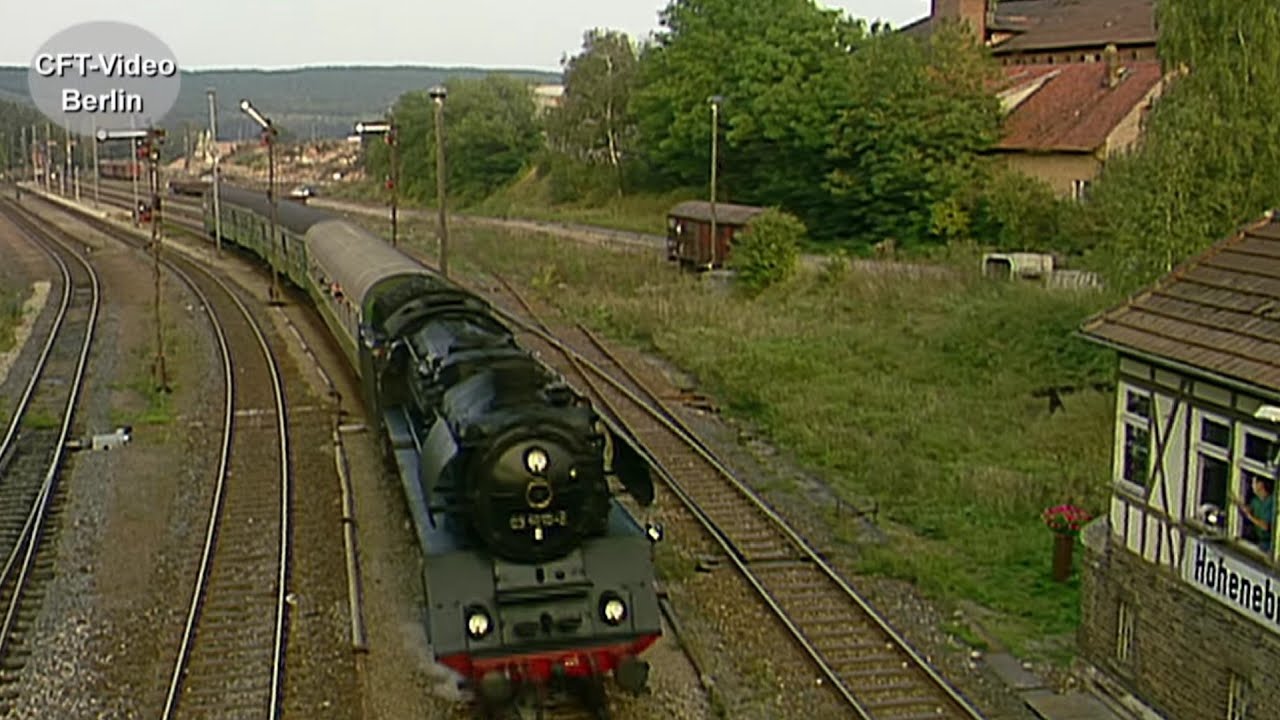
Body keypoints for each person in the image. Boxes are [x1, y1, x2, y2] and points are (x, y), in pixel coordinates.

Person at [1236, 475, 1276, 552]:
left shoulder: (1272, 502)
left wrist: (1251, 517)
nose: (1252, 486)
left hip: (1269, 546)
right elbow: (1249, 509)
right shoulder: (1255, 500)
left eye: (1254, 483)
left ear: (1260, 484)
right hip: (1258, 542)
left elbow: (1265, 526)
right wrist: (1240, 505)